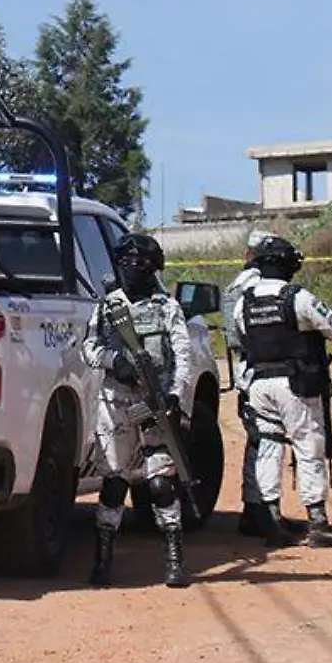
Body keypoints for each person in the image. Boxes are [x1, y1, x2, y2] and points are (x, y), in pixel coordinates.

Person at [82, 233, 195, 587]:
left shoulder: (167, 308)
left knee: (161, 483)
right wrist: (115, 360)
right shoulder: (106, 307)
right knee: (114, 483)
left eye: (140, 264)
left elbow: (182, 357)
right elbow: (88, 348)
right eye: (126, 262)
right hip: (115, 404)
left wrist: (175, 396)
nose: (131, 269)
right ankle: (103, 560)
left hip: (155, 403)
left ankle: (174, 559)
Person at [232, 235, 332, 547]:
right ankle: (318, 522)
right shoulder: (298, 297)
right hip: (295, 384)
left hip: (259, 384)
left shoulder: (244, 302)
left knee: (268, 447)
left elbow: (242, 339)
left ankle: (270, 518)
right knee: (309, 445)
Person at [227, 229, 272, 538]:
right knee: (265, 443)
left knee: (257, 442)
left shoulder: (236, 284)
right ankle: (261, 512)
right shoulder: (257, 286)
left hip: (246, 372)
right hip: (261, 371)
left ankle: (254, 509)